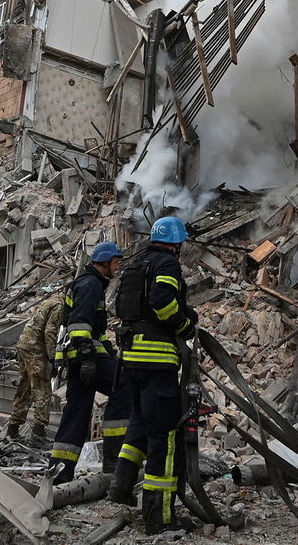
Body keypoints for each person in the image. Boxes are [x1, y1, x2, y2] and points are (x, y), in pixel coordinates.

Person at [107, 216, 200, 535]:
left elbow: (120, 307)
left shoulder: (135, 266)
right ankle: (159, 517)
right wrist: (187, 324)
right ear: (176, 243)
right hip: (157, 361)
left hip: (131, 359)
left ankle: (120, 486)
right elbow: (163, 303)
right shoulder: (166, 264)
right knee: (165, 435)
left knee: (140, 423)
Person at [48, 241, 131, 484]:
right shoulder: (91, 284)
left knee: (76, 412)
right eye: (115, 261)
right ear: (104, 261)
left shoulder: (89, 283)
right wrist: (88, 358)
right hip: (85, 358)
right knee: (123, 385)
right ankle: (114, 461)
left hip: (81, 359)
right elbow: (79, 324)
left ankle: (60, 472)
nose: (117, 266)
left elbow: (93, 330)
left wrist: (106, 350)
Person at [6, 293, 63, 447]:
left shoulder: (51, 300)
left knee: (24, 388)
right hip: (35, 348)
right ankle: (38, 435)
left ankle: (12, 430)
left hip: (24, 344)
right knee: (42, 389)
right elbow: (50, 332)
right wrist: (53, 358)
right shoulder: (59, 306)